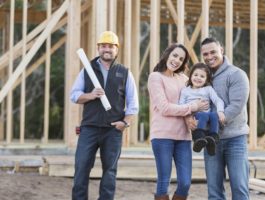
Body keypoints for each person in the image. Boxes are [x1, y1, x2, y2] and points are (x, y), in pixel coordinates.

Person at [70, 31, 139, 200]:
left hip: (113, 130)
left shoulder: (124, 72)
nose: (106, 49)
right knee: (81, 168)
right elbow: (74, 95)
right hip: (89, 128)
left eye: (110, 46)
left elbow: (133, 104)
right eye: (103, 46)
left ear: (116, 49)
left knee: (109, 173)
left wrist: (125, 123)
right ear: (98, 48)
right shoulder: (87, 70)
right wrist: (90, 95)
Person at [147, 43, 206, 200]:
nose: (177, 60)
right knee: (164, 181)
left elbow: (185, 102)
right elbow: (164, 108)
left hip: (183, 137)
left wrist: (190, 116)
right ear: (167, 55)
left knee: (185, 182)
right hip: (162, 136)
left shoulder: (184, 79)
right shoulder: (155, 77)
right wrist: (192, 106)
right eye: (174, 55)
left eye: (181, 58)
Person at [200, 37, 250, 200]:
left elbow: (236, 105)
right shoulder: (201, 77)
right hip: (210, 140)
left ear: (222, 50)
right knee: (214, 193)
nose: (209, 57)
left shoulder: (236, 74)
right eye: (205, 54)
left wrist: (214, 121)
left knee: (239, 189)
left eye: (213, 52)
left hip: (235, 139)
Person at [179, 63, 225, 155]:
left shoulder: (208, 89)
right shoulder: (185, 91)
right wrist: (194, 106)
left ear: (206, 79)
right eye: (195, 75)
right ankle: (198, 138)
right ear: (191, 75)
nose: (198, 78)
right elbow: (181, 105)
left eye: (202, 76)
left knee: (214, 114)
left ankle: (213, 138)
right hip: (194, 115)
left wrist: (220, 111)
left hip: (207, 115)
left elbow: (217, 100)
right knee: (203, 115)